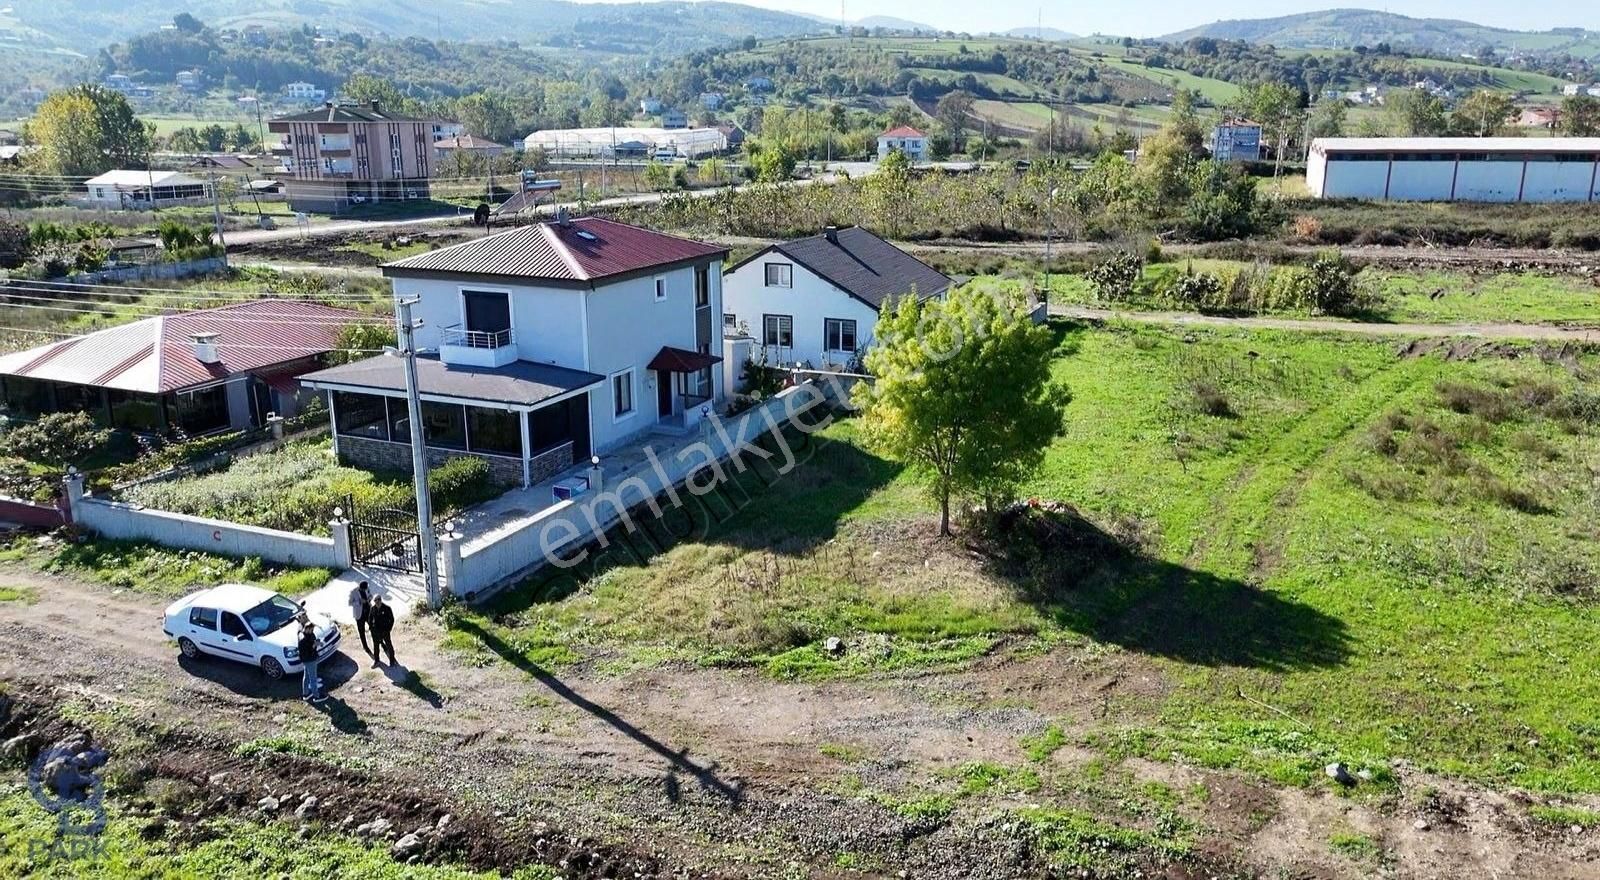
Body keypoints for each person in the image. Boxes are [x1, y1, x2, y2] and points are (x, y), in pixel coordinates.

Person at [298, 622, 325, 703]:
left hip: (307, 660)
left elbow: (311, 643)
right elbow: (306, 651)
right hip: (309, 660)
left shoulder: (303, 635)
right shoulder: (303, 639)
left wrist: (315, 643)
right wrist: (314, 646)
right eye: (311, 629)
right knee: (313, 679)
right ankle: (317, 696)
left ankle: (305, 694)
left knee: (306, 677)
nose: (312, 631)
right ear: (307, 629)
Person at [369, 595, 396, 667]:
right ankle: (376, 660)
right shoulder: (372, 609)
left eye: (378, 600)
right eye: (375, 600)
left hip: (385, 631)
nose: (377, 602)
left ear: (381, 600)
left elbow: (392, 620)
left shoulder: (387, 608)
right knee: (376, 646)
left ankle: (392, 660)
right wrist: (371, 629)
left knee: (389, 645)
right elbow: (370, 619)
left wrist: (388, 629)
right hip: (376, 632)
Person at [347, 580, 373, 656]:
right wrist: (359, 602)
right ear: (361, 588)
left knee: (373, 627)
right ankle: (365, 647)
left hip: (368, 611)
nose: (366, 590)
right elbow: (349, 603)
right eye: (364, 589)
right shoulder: (353, 592)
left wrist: (369, 599)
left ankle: (380, 642)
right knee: (361, 632)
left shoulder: (367, 588)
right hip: (359, 615)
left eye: (366, 589)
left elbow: (370, 595)